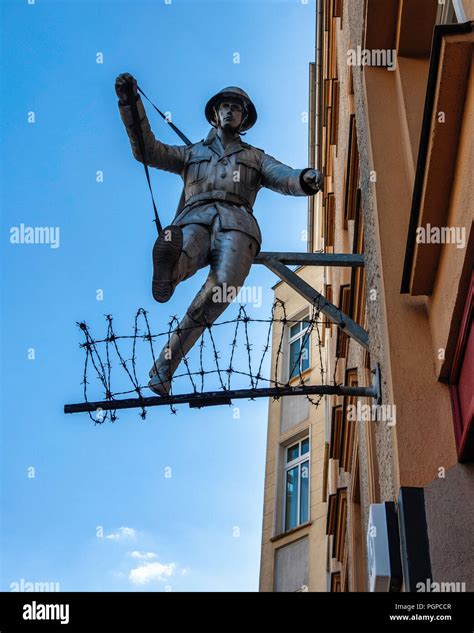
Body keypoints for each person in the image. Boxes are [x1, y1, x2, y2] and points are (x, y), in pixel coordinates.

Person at [115, 74, 323, 394]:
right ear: (214, 114)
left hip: (236, 225)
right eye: (224, 107)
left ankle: (164, 365)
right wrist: (131, 104)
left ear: (244, 118)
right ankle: (168, 270)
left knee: (220, 288)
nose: (229, 111)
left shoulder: (254, 157)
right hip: (195, 219)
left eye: (235, 108)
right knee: (183, 253)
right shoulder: (191, 153)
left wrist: (304, 179)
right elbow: (148, 150)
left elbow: (282, 175)